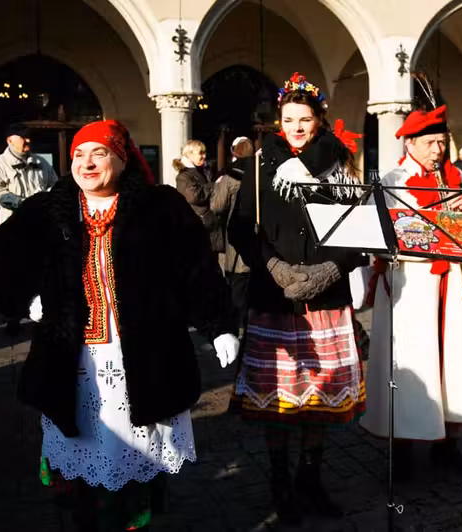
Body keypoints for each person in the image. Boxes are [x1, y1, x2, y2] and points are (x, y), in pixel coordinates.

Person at [0, 120, 239, 531]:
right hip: (73, 362)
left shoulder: (159, 207)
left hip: (142, 358)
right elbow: (2, 259)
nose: (86, 163)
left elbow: (196, 269)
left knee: (134, 473)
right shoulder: (50, 208)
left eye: (98, 154)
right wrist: (26, 296)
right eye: (79, 155)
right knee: (83, 472)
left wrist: (218, 324)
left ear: (121, 160)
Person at [228, 72, 366, 525]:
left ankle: (311, 480)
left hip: (326, 297)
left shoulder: (341, 164)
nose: (297, 127)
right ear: (279, 122)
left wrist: (331, 269)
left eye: (305, 119)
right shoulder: (260, 164)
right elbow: (242, 229)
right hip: (277, 297)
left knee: (319, 400)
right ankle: (280, 483)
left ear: (319, 120)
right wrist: (274, 267)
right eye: (289, 119)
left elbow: (358, 231)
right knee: (281, 399)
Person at [360, 104, 462, 479]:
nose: (438, 150)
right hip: (414, 288)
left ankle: (448, 446)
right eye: (429, 143)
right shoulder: (393, 180)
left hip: (455, 287)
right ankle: (403, 451)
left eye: (442, 142)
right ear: (410, 143)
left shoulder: (457, 176)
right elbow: (378, 235)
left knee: (454, 363)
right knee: (413, 366)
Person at [211, 137, 254, 331]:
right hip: (260, 232)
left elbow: (217, 206)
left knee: (237, 282)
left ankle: (238, 324)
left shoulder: (229, 176)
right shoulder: (260, 172)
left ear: (234, 152)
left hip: (236, 231)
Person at [0, 124, 58, 224]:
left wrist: (45, 200)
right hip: (12, 224)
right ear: (10, 141)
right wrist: (21, 204)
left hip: (41, 223)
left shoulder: (42, 163)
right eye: (23, 137)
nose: (28, 140)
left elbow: (55, 186)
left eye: (28, 137)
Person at [174, 140, 224, 254]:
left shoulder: (203, 171)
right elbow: (194, 196)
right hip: (198, 227)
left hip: (208, 226)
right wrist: (214, 185)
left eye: (204, 153)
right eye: (200, 153)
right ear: (190, 154)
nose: (204, 156)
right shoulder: (184, 176)